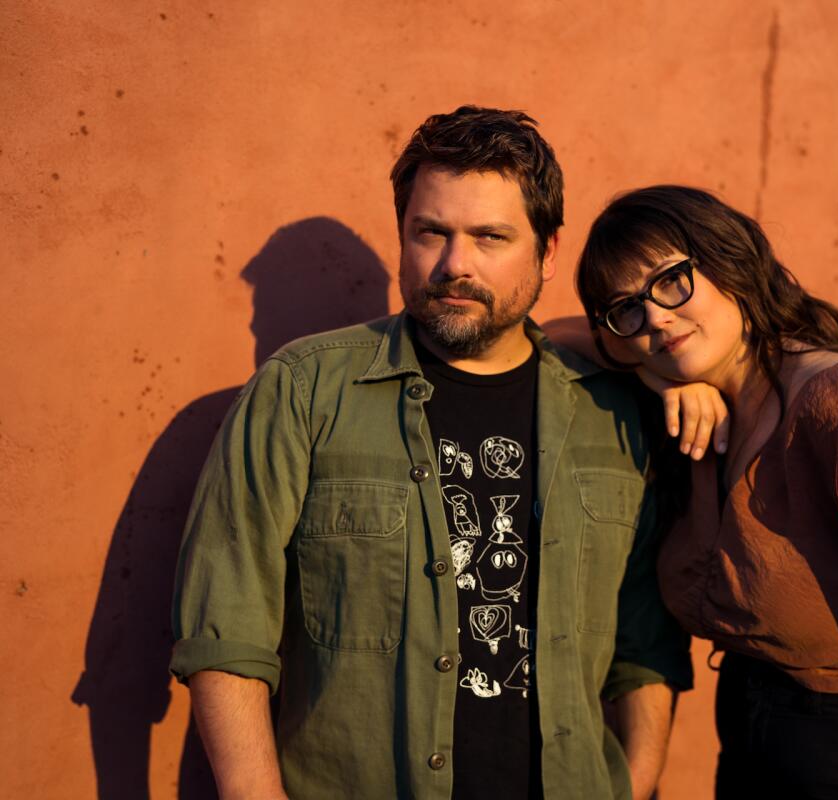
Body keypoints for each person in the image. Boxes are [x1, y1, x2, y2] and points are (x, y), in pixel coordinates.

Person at [170, 107, 693, 800]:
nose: (455, 265)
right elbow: (225, 629)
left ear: (549, 250)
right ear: (402, 237)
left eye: (490, 237)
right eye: (431, 233)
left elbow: (644, 641)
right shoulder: (305, 391)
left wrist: (637, 779)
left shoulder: (613, 411)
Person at [573, 185, 838, 797]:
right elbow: (542, 338)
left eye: (671, 281)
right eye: (628, 308)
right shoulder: (704, 404)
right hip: (755, 738)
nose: (656, 318)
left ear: (730, 262)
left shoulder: (831, 395)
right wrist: (653, 371)